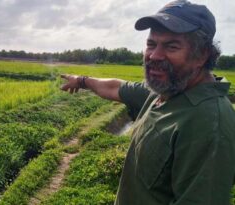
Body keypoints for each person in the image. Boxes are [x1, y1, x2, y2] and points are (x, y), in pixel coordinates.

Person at [60, 0, 235, 204]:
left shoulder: (209, 125)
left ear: (202, 54)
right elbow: (116, 87)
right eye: (151, 44)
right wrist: (81, 81)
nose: (154, 55)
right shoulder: (166, 90)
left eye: (171, 46)